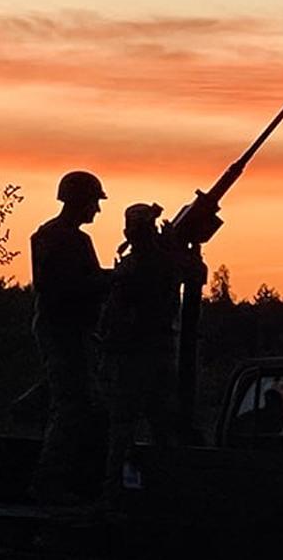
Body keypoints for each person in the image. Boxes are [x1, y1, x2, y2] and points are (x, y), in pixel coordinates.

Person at [97, 202, 206, 509]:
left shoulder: (131, 265)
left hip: (132, 359)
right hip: (151, 357)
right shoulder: (160, 263)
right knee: (158, 429)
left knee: (126, 429)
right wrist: (178, 245)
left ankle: (117, 494)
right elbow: (196, 274)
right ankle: (162, 493)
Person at [28, 170, 111, 505]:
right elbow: (68, 286)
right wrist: (115, 278)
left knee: (76, 400)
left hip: (62, 328)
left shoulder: (49, 235)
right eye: (94, 202)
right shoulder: (70, 240)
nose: (97, 210)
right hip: (65, 329)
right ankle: (50, 482)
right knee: (72, 406)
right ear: (79, 201)